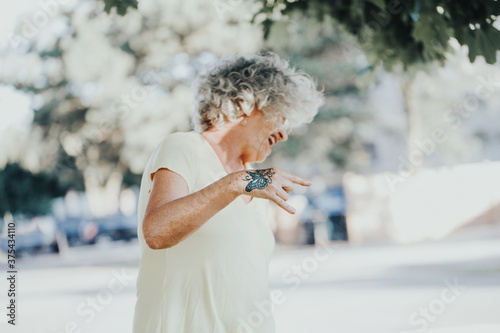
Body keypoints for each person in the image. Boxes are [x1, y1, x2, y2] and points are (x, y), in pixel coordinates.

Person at [132, 51, 324, 333]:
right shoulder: (183, 147)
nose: (284, 134)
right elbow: (156, 232)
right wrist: (237, 182)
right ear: (245, 103)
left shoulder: (253, 182)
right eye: (281, 115)